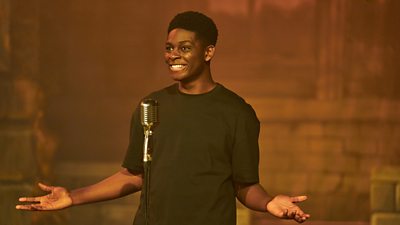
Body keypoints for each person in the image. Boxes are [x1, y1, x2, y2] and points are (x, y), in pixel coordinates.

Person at [16, 11, 310, 225]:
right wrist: (73, 197)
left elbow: (244, 185)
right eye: (169, 48)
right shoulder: (151, 104)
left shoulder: (236, 113)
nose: (173, 55)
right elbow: (134, 175)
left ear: (208, 52)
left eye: (184, 48)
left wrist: (270, 202)